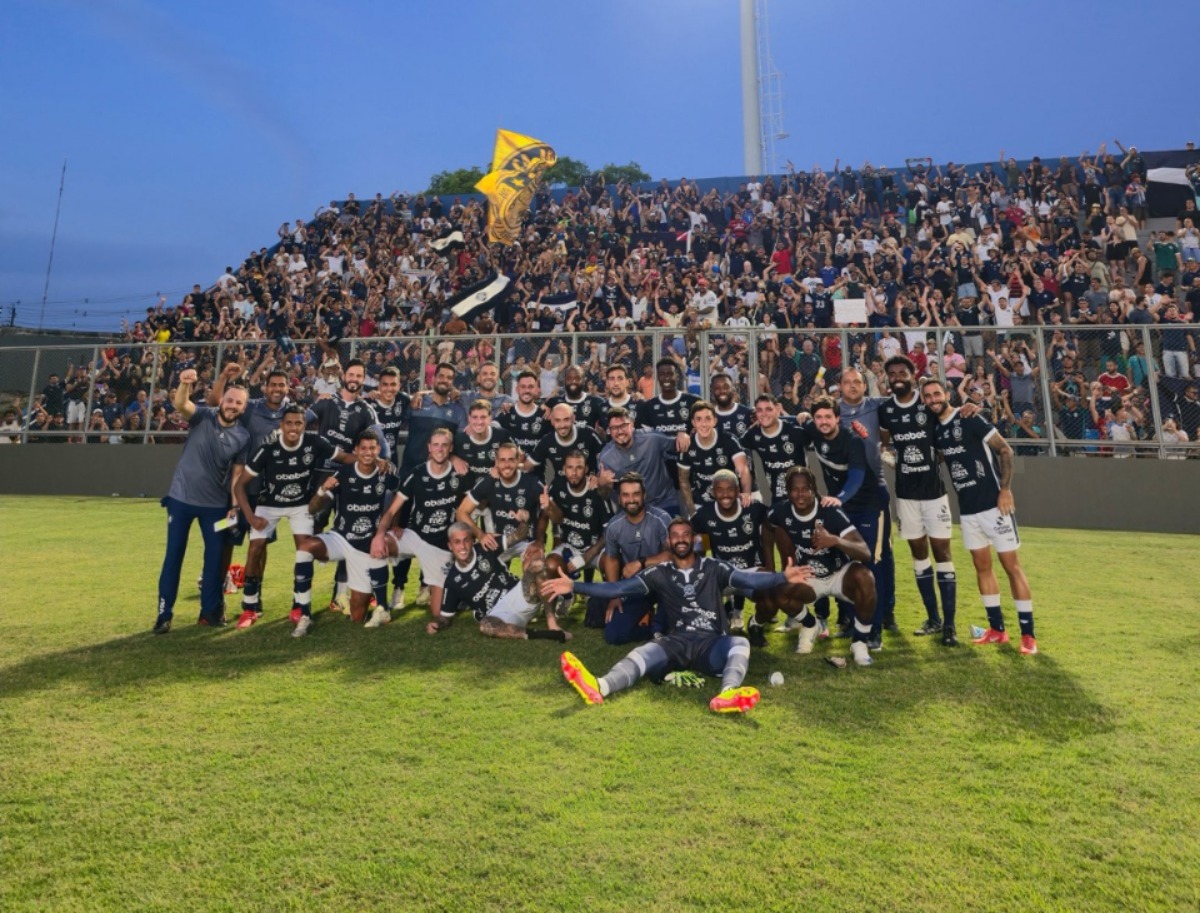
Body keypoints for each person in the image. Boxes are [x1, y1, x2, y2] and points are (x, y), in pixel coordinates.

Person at [541, 515, 814, 713]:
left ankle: (727, 695)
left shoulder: (714, 567)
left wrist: (781, 576)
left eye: (686, 534)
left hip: (711, 643)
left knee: (740, 643)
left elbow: (749, 580)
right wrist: (573, 585)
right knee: (644, 651)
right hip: (676, 642)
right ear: (668, 541)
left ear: (693, 539)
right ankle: (600, 686)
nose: (681, 539)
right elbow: (619, 586)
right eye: (676, 535)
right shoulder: (658, 573)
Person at [920, 377, 1038, 654]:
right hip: (969, 512)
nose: (933, 399)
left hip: (995, 506)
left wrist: (1006, 489)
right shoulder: (937, 431)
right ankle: (997, 630)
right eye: (927, 396)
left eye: (937, 393)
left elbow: (1004, 449)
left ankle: (1028, 635)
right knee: (982, 567)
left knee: (1012, 567)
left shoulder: (971, 419)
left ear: (947, 393)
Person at [231, 404, 353, 628]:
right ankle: (250, 606)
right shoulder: (268, 448)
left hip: (301, 506)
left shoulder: (314, 442)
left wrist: (372, 460)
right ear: (282, 425)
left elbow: (344, 457)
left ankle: (299, 604)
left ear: (304, 425)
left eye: (298, 423)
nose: (293, 427)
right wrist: (251, 518)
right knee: (255, 547)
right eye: (289, 423)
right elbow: (240, 486)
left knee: (304, 548)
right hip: (269, 505)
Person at [152, 368, 250, 633]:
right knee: (173, 556)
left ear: (244, 407)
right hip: (180, 500)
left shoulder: (243, 436)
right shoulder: (204, 416)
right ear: (223, 401)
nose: (232, 406)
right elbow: (182, 405)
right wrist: (184, 383)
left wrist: (233, 507)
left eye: (238, 403)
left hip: (216, 508)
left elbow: (236, 475)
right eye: (229, 400)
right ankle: (164, 614)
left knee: (215, 559)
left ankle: (209, 612)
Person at [877, 356, 958, 645]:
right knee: (919, 555)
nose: (897, 377)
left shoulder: (927, 404)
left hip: (935, 494)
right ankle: (933, 618)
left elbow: (951, 415)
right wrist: (887, 456)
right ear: (887, 379)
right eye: (892, 373)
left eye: (903, 372)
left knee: (942, 554)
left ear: (913, 375)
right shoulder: (886, 410)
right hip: (906, 496)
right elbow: (884, 443)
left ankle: (950, 625)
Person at [762, 467, 878, 666]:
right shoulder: (780, 510)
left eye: (806, 489)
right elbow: (767, 526)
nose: (800, 494)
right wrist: (770, 565)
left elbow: (865, 553)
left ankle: (860, 641)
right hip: (810, 575)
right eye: (795, 489)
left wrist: (835, 540)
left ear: (814, 489)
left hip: (839, 574)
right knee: (778, 588)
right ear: (787, 492)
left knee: (866, 577)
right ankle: (810, 625)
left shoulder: (830, 511)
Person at [293, 429, 399, 635]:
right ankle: (304, 615)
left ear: (378, 450)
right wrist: (323, 490)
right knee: (305, 548)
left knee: (357, 617)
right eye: (364, 448)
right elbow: (313, 509)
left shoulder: (385, 473)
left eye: (372, 448)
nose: (368, 452)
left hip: (365, 546)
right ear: (356, 451)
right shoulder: (344, 473)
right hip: (340, 538)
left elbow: (401, 495)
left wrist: (393, 524)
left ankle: (379, 606)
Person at [429, 522, 570, 641]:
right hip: (499, 616)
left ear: (472, 541)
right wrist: (436, 624)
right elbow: (445, 617)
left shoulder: (486, 547)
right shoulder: (452, 581)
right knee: (485, 626)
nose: (463, 546)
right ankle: (546, 635)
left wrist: (523, 521)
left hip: (520, 595)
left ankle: (552, 623)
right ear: (450, 546)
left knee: (538, 564)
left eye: (466, 540)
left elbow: (519, 535)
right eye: (457, 542)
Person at [596, 473, 673, 645]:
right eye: (626, 495)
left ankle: (659, 628)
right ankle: (649, 627)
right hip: (635, 585)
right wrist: (614, 595)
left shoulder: (661, 519)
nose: (631, 499)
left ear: (644, 495)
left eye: (636, 494)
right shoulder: (614, 526)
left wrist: (641, 562)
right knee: (614, 635)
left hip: (663, 584)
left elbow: (672, 555)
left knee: (676, 627)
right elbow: (612, 559)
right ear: (619, 498)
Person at [691, 470, 770, 632]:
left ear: (737, 490)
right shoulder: (704, 515)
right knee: (702, 591)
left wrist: (770, 565)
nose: (725, 494)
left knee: (773, 596)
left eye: (730, 489)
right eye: (720, 489)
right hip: (724, 576)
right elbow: (700, 547)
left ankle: (756, 624)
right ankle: (723, 617)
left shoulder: (754, 509)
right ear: (713, 492)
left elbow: (773, 524)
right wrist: (699, 574)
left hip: (752, 573)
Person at [596, 407, 687, 517]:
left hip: (664, 502)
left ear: (632, 425)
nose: (620, 431)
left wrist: (683, 435)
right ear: (609, 430)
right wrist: (602, 484)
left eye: (624, 425)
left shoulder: (652, 439)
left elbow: (678, 443)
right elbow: (604, 495)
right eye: (614, 428)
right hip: (630, 510)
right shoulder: (606, 458)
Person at [677, 400, 753, 518]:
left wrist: (747, 493)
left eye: (708, 419)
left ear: (715, 421)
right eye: (699, 419)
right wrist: (692, 512)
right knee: (702, 536)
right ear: (693, 422)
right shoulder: (688, 444)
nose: (704, 424)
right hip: (701, 503)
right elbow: (683, 480)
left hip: (729, 500)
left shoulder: (728, 439)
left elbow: (743, 470)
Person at [739, 394, 812, 504]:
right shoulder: (752, 434)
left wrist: (807, 415)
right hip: (770, 499)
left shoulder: (796, 431)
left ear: (778, 409)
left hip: (799, 496)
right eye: (759, 410)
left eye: (768, 409)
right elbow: (734, 448)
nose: (764, 414)